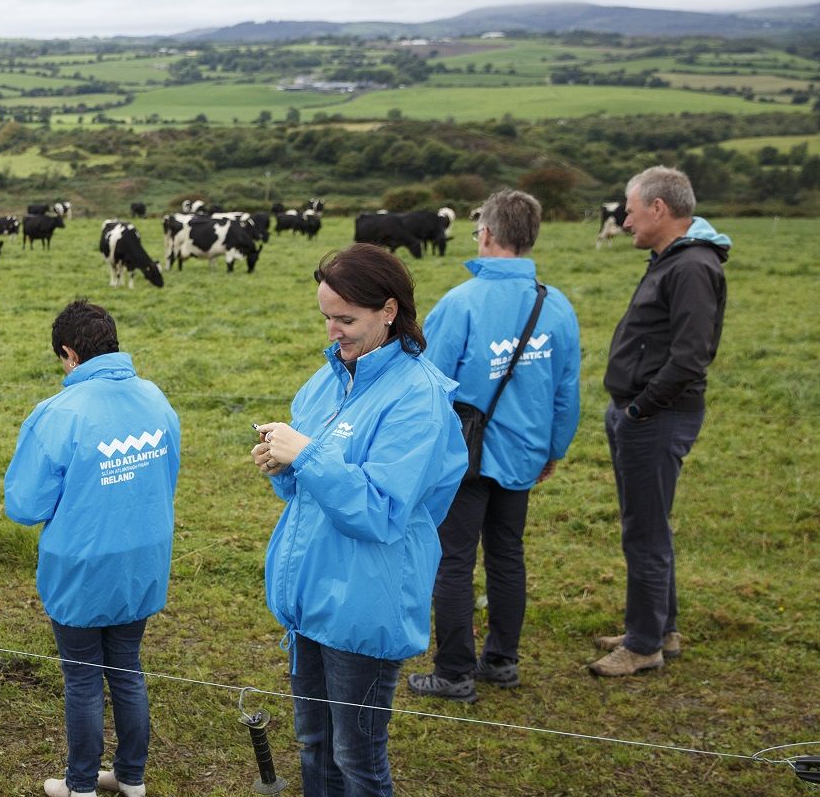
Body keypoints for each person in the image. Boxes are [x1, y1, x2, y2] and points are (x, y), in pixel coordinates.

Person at [252, 244, 466, 797]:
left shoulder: (418, 399)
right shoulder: (327, 380)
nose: (332, 332)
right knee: (313, 744)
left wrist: (307, 455)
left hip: (365, 602)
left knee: (357, 758)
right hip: (312, 596)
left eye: (345, 319)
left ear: (389, 311)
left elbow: (381, 510)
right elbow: (306, 492)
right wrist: (281, 465)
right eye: (326, 316)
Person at [406, 190, 581, 703]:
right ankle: (502, 661)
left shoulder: (460, 303)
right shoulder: (557, 304)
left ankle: (454, 672)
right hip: (525, 453)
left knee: (454, 561)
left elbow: (429, 385)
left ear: (486, 233)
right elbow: (566, 388)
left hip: (465, 456)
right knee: (508, 555)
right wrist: (555, 449)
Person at [4, 301, 180, 797]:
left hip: (80, 566)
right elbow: (168, 474)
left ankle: (80, 784)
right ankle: (131, 778)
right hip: (141, 560)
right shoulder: (156, 399)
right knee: (126, 666)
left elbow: (24, 504)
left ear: (69, 354)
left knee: (82, 678)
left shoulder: (57, 413)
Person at [590, 166, 729, 677]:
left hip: (656, 415)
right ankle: (660, 627)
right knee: (646, 524)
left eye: (629, 210)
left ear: (658, 209)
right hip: (643, 411)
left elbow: (691, 357)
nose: (624, 221)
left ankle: (644, 643)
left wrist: (640, 410)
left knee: (644, 531)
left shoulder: (691, 267)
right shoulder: (670, 259)